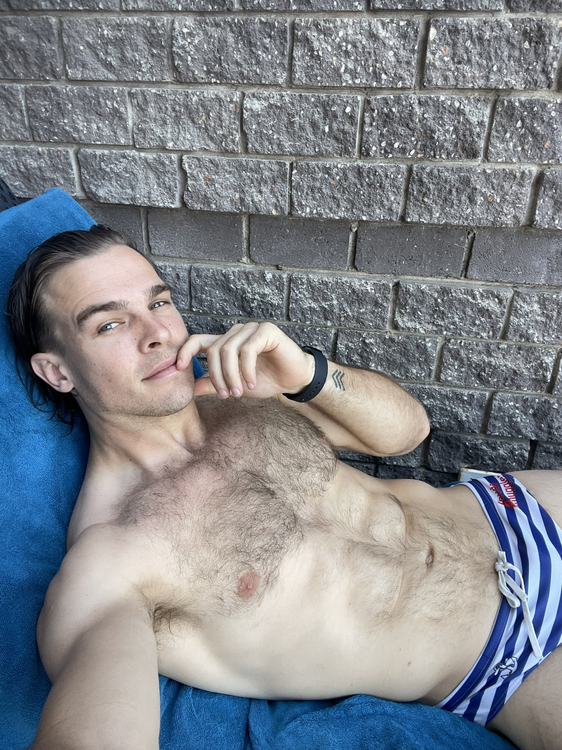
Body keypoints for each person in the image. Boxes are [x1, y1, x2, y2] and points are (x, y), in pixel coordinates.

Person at [7, 225, 561, 750]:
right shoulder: (109, 560)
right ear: (57, 372)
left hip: (519, 508)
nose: (158, 335)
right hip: (511, 662)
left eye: (159, 303)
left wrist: (307, 376)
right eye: (110, 324)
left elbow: (409, 430)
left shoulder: (240, 394)